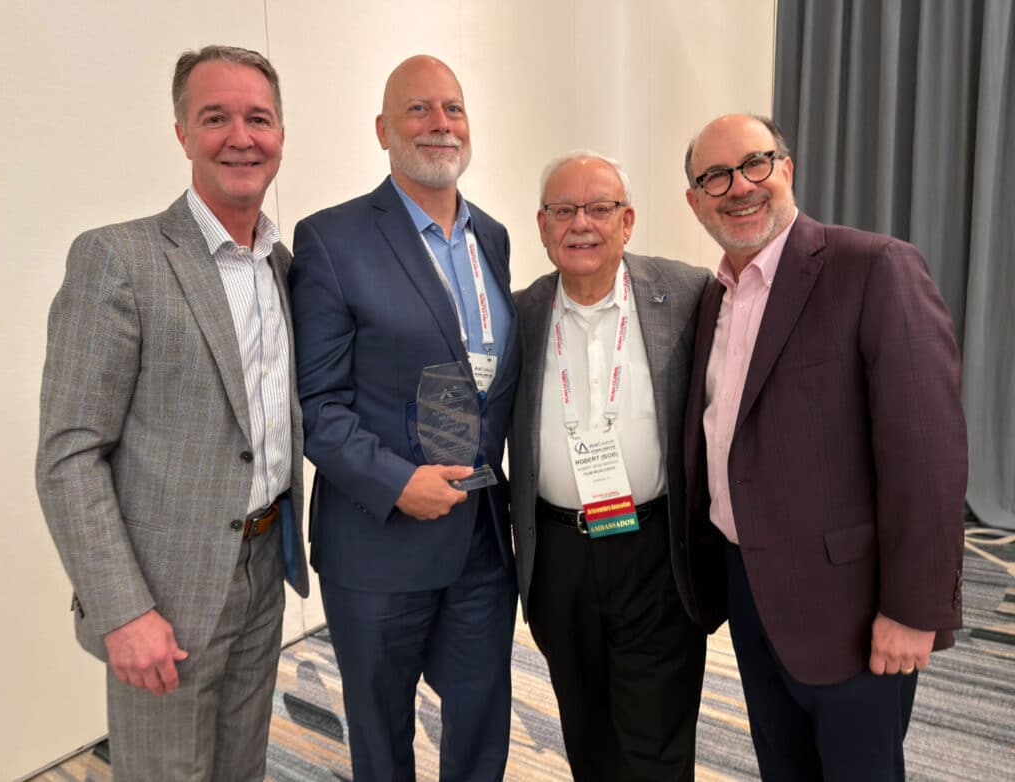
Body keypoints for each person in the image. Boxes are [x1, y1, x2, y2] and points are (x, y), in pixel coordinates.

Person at [35, 45, 307, 781]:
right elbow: (69, 454)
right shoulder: (119, 260)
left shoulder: (285, 268)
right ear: (182, 132)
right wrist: (122, 610)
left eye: (259, 118)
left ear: (282, 133)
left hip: (264, 565)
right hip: (165, 590)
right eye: (215, 117)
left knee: (240, 766)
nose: (240, 137)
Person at [679, 114, 968, 781]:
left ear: (786, 168)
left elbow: (927, 454)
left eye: (754, 164)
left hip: (854, 605)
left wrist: (912, 610)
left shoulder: (872, 267)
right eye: (714, 177)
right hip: (749, 589)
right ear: (694, 201)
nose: (738, 188)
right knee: (784, 768)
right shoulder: (711, 300)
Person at [288, 55, 518, 781]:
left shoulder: (495, 237)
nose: (440, 123)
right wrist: (397, 483)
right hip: (379, 543)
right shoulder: (332, 239)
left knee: (483, 720)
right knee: (382, 736)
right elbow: (317, 406)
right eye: (419, 109)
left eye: (452, 108)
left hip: (481, 537)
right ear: (383, 129)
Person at [508, 151, 710, 781]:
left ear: (627, 222)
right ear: (542, 226)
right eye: (564, 210)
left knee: (657, 739)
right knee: (587, 731)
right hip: (558, 557)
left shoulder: (686, 293)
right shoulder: (520, 314)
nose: (581, 224)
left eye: (599, 208)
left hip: (654, 551)